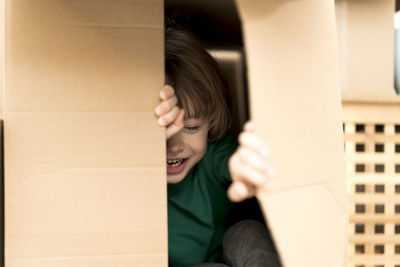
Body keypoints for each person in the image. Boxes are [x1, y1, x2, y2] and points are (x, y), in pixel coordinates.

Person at [155, 22, 281, 267]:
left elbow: (232, 161)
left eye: (192, 127)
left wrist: (243, 165)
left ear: (210, 123)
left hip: (220, 261)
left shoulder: (212, 155)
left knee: (247, 232)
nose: (174, 146)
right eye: (162, 130)